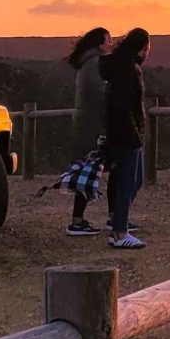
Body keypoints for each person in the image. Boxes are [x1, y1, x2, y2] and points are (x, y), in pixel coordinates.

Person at [99, 28, 150, 249]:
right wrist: (134, 134)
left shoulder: (120, 66)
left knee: (132, 180)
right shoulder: (128, 69)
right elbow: (124, 106)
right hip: (127, 135)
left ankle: (119, 224)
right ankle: (120, 233)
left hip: (121, 133)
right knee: (128, 182)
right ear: (142, 48)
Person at [64, 27, 112, 236]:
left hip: (86, 126)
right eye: (109, 40)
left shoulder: (87, 63)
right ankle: (79, 221)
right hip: (93, 128)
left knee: (88, 171)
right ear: (100, 44)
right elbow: (101, 95)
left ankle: (81, 220)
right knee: (89, 172)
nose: (111, 43)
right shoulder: (95, 64)